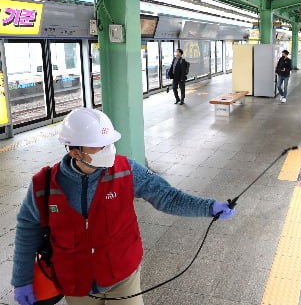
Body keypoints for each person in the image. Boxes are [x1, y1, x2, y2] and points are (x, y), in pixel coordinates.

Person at [11, 107, 235, 305]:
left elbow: (168, 197)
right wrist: (22, 279)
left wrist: (209, 207)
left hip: (122, 276)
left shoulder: (126, 170)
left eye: (109, 143)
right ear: (74, 152)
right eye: (100, 146)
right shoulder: (44, 185)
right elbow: (27, 229)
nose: (110, 150)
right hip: (75, 283)